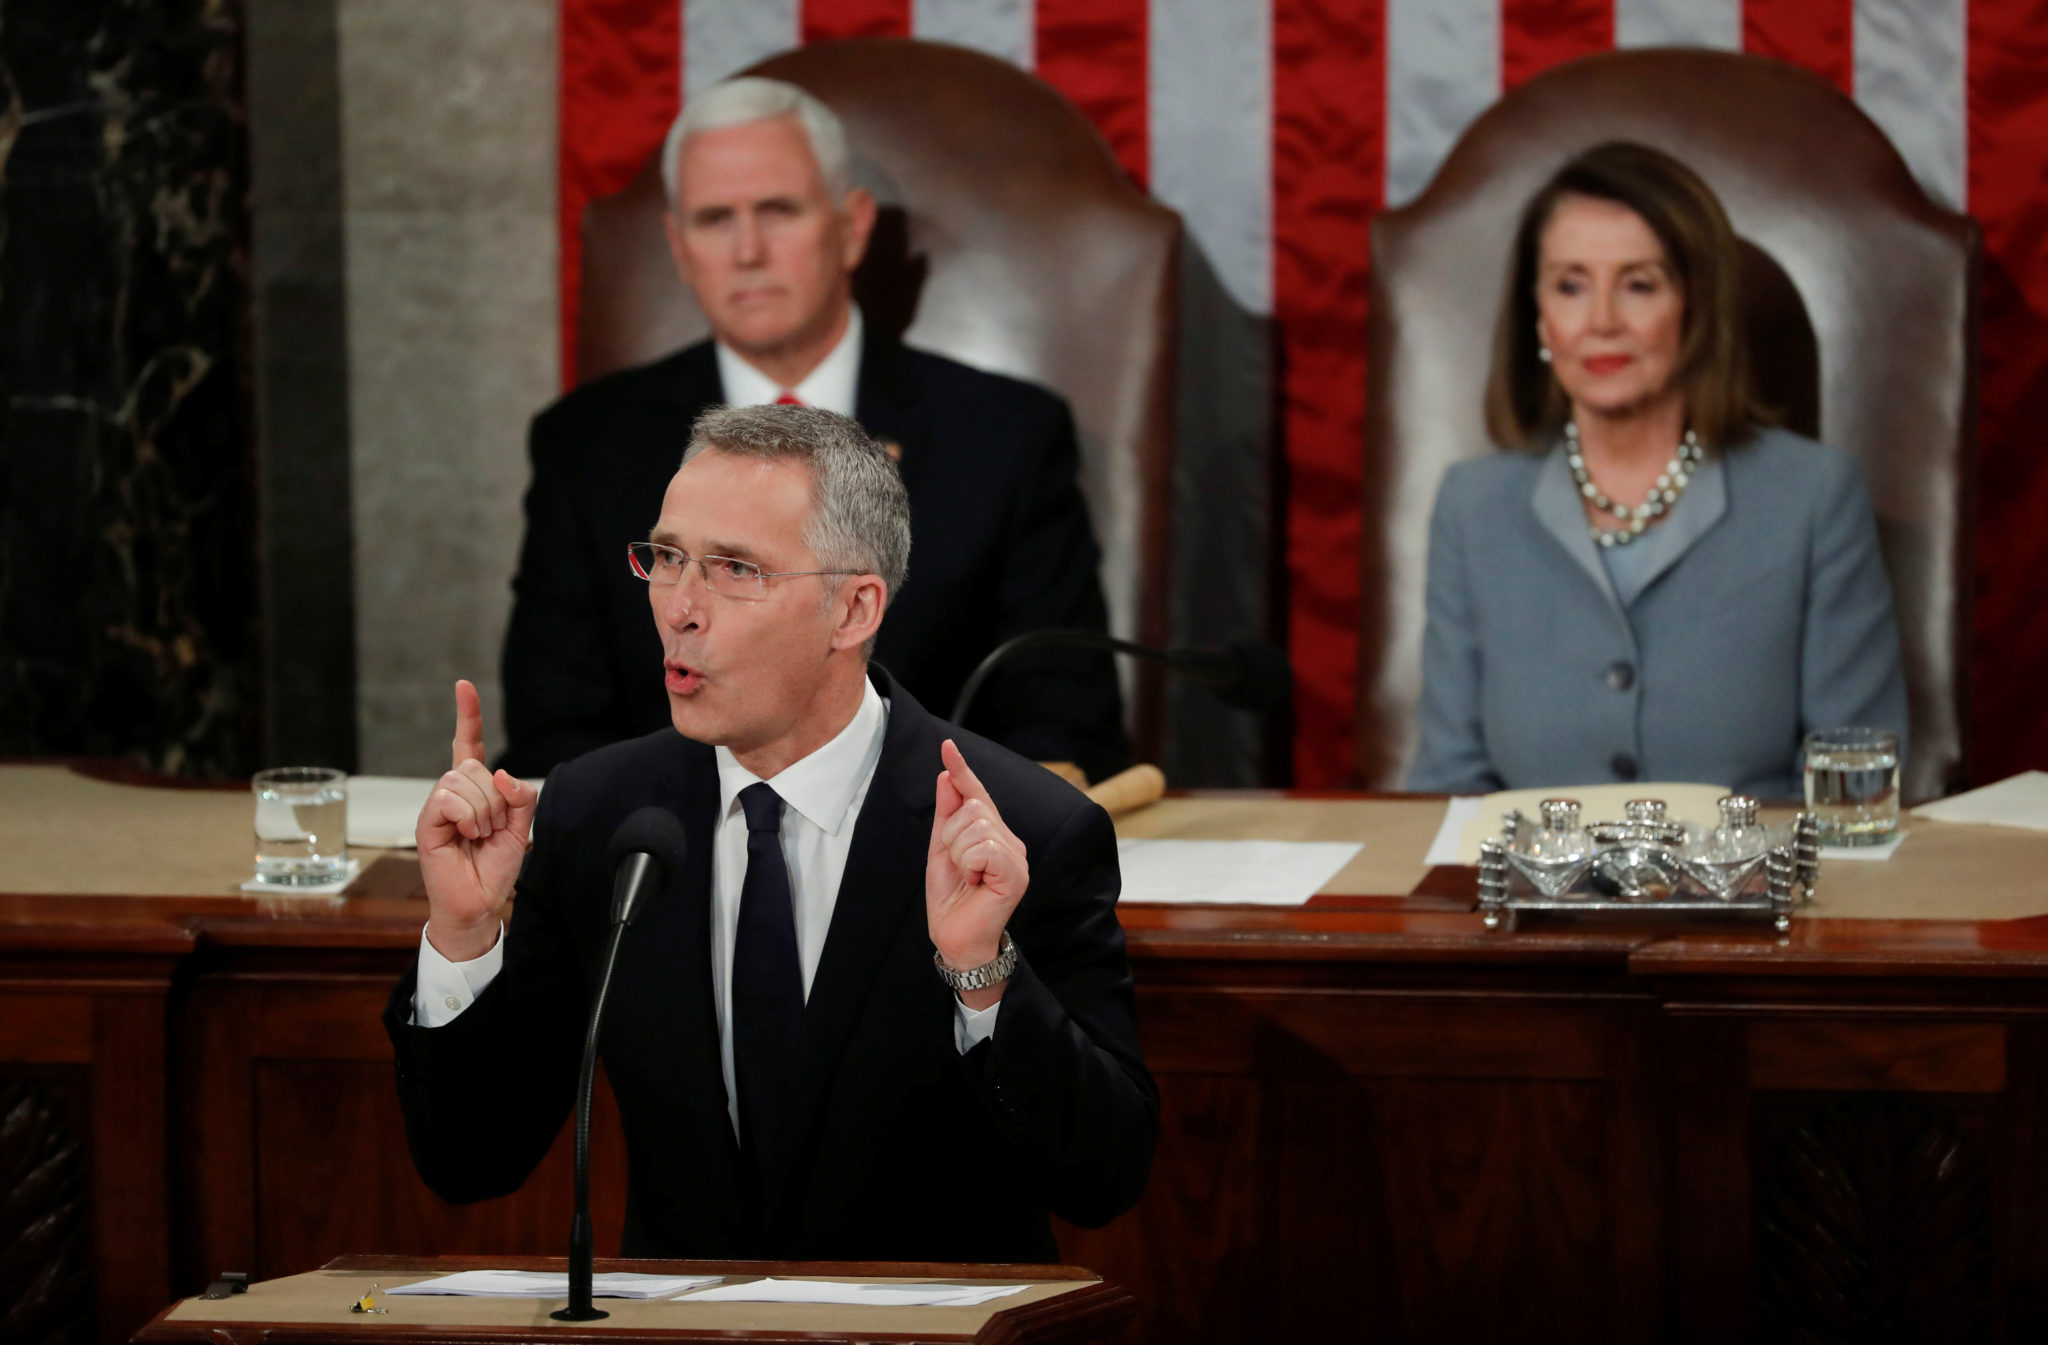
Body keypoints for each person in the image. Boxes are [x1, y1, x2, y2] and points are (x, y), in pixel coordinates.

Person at [384, 404, 1156, 1261]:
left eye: (734, 569)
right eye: (667, 558)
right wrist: (462, 935)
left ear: (854, 609)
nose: (678, 607)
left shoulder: (1024, 831)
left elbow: (1105, 1179)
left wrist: (981, 974)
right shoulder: (598, 814)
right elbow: (469, 1160)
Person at [499, 76, 1127, 783]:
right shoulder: (587, 443)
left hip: (928, 858)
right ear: (679, 247)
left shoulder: (1005, 434)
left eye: (778, 210)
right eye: (714, 220)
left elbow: (1066, 721)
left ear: (852, 227)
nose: (747, 251)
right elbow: (553, 728)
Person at [1406, 141, 1907, 798]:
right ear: (1540, 315)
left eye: (1639, 284)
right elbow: (1446, 789)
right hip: (1533, 898)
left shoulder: (1813, 499)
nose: (1602, 321)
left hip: (1753, 895)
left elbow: (1856, 790)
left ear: (1695, 308)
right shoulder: (1472, 507)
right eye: (1570, 285)